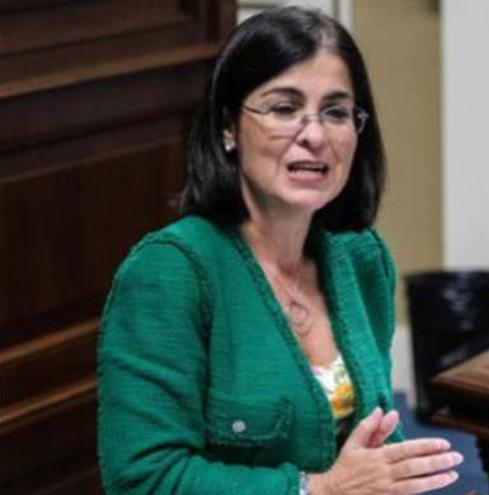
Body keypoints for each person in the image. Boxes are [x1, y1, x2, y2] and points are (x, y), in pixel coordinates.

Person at [97, 6, 462, 495]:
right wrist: (317, 489)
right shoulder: (168, 273)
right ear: (228, 127)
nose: (314, 135)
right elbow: (143, 478)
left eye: (335, 112)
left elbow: (373, 443)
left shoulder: (360, 256)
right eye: (284, 108)